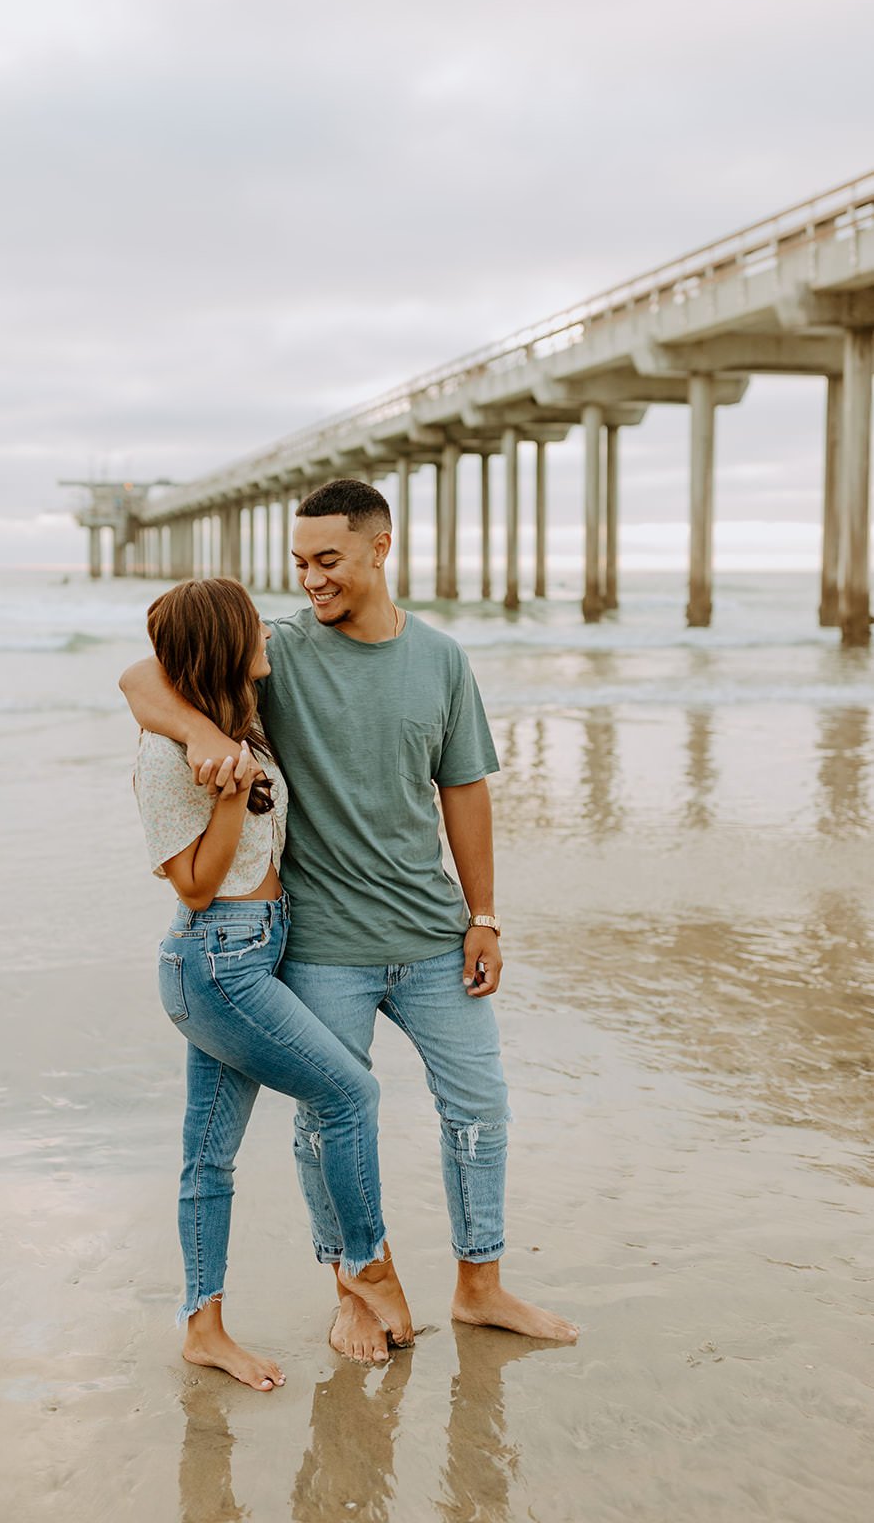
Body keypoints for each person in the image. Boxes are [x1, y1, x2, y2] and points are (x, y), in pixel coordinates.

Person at [123, 480, 578, 1360]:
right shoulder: (277, 653)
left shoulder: (441, 660)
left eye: (326, 560)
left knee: (479, 1109)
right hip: (320, 944)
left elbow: (464, 788)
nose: (310, 579)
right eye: (298, 563)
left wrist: (483, 913)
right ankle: (350, 1292)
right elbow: (143, 673)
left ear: (380, 549)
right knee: (326, 1119)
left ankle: (479, 1286)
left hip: (433, 934)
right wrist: (201, 735)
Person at [133, 575, 413, 1391]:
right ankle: (365, 1262)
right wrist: (223, 801)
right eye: (251, 624)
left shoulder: (235, 730)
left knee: (207, 1158)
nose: (267, 633)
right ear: (225, 640)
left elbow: (136, 678)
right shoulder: (170, 755)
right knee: (348, 1095)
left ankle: (203, 1330)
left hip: (254, 953)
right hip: (217, 961)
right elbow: (191, 885)